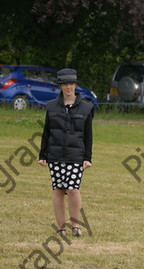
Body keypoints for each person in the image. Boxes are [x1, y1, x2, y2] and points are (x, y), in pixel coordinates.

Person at [38, 68, 94, 237]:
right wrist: (42, 155)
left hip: (76, 156)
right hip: (55, 155)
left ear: (75, 85)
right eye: (65, 84)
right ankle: (61, 227)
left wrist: (87, 157)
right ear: (60, 86)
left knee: (73, 189)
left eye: (71, 84)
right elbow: (46, 132)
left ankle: (75, 226)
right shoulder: (51, 107)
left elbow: (88, 135)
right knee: (58, 190)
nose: (68, 87)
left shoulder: (86, 108)